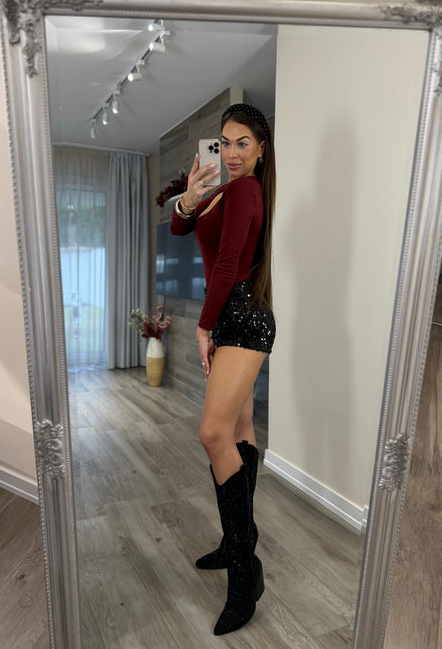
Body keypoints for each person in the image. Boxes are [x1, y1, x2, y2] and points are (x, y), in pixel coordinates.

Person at [170, 103, 276, 635]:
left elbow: (230, 263)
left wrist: (203, 327)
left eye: (243, 143)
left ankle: (243, 574)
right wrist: (190, 197)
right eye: (225, 142)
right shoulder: (223, 190)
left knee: (212, 434)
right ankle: (239, 543)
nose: (232, 153)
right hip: (234, 314)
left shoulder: (246, 190)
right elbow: (178, 227)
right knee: (237, 429)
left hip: (242, 318)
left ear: (260, 149)